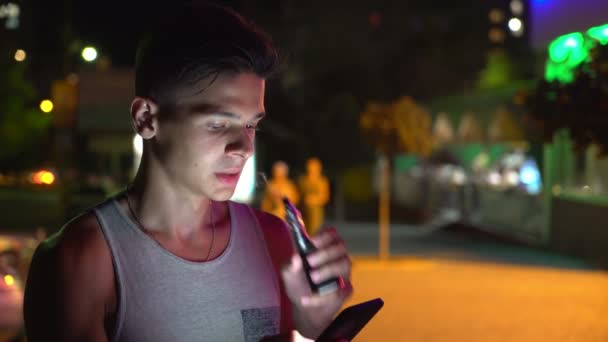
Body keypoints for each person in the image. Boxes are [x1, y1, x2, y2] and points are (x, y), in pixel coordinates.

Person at [23, 3, 352, 341]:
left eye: (252, 125)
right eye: (218, 124)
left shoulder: (274, 239)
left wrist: (314, 329)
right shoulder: (80, 261)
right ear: (146, 119)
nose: (244, 147)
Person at [298, 158, 330, 236]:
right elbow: (298, 195)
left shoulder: (322, 181)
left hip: (316, 211)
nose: (311, 169)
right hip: (304, 210)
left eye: (314, 167)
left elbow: (325, 197)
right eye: (310, 167)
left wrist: (314, 199)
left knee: (315, 230)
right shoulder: (303, 180)